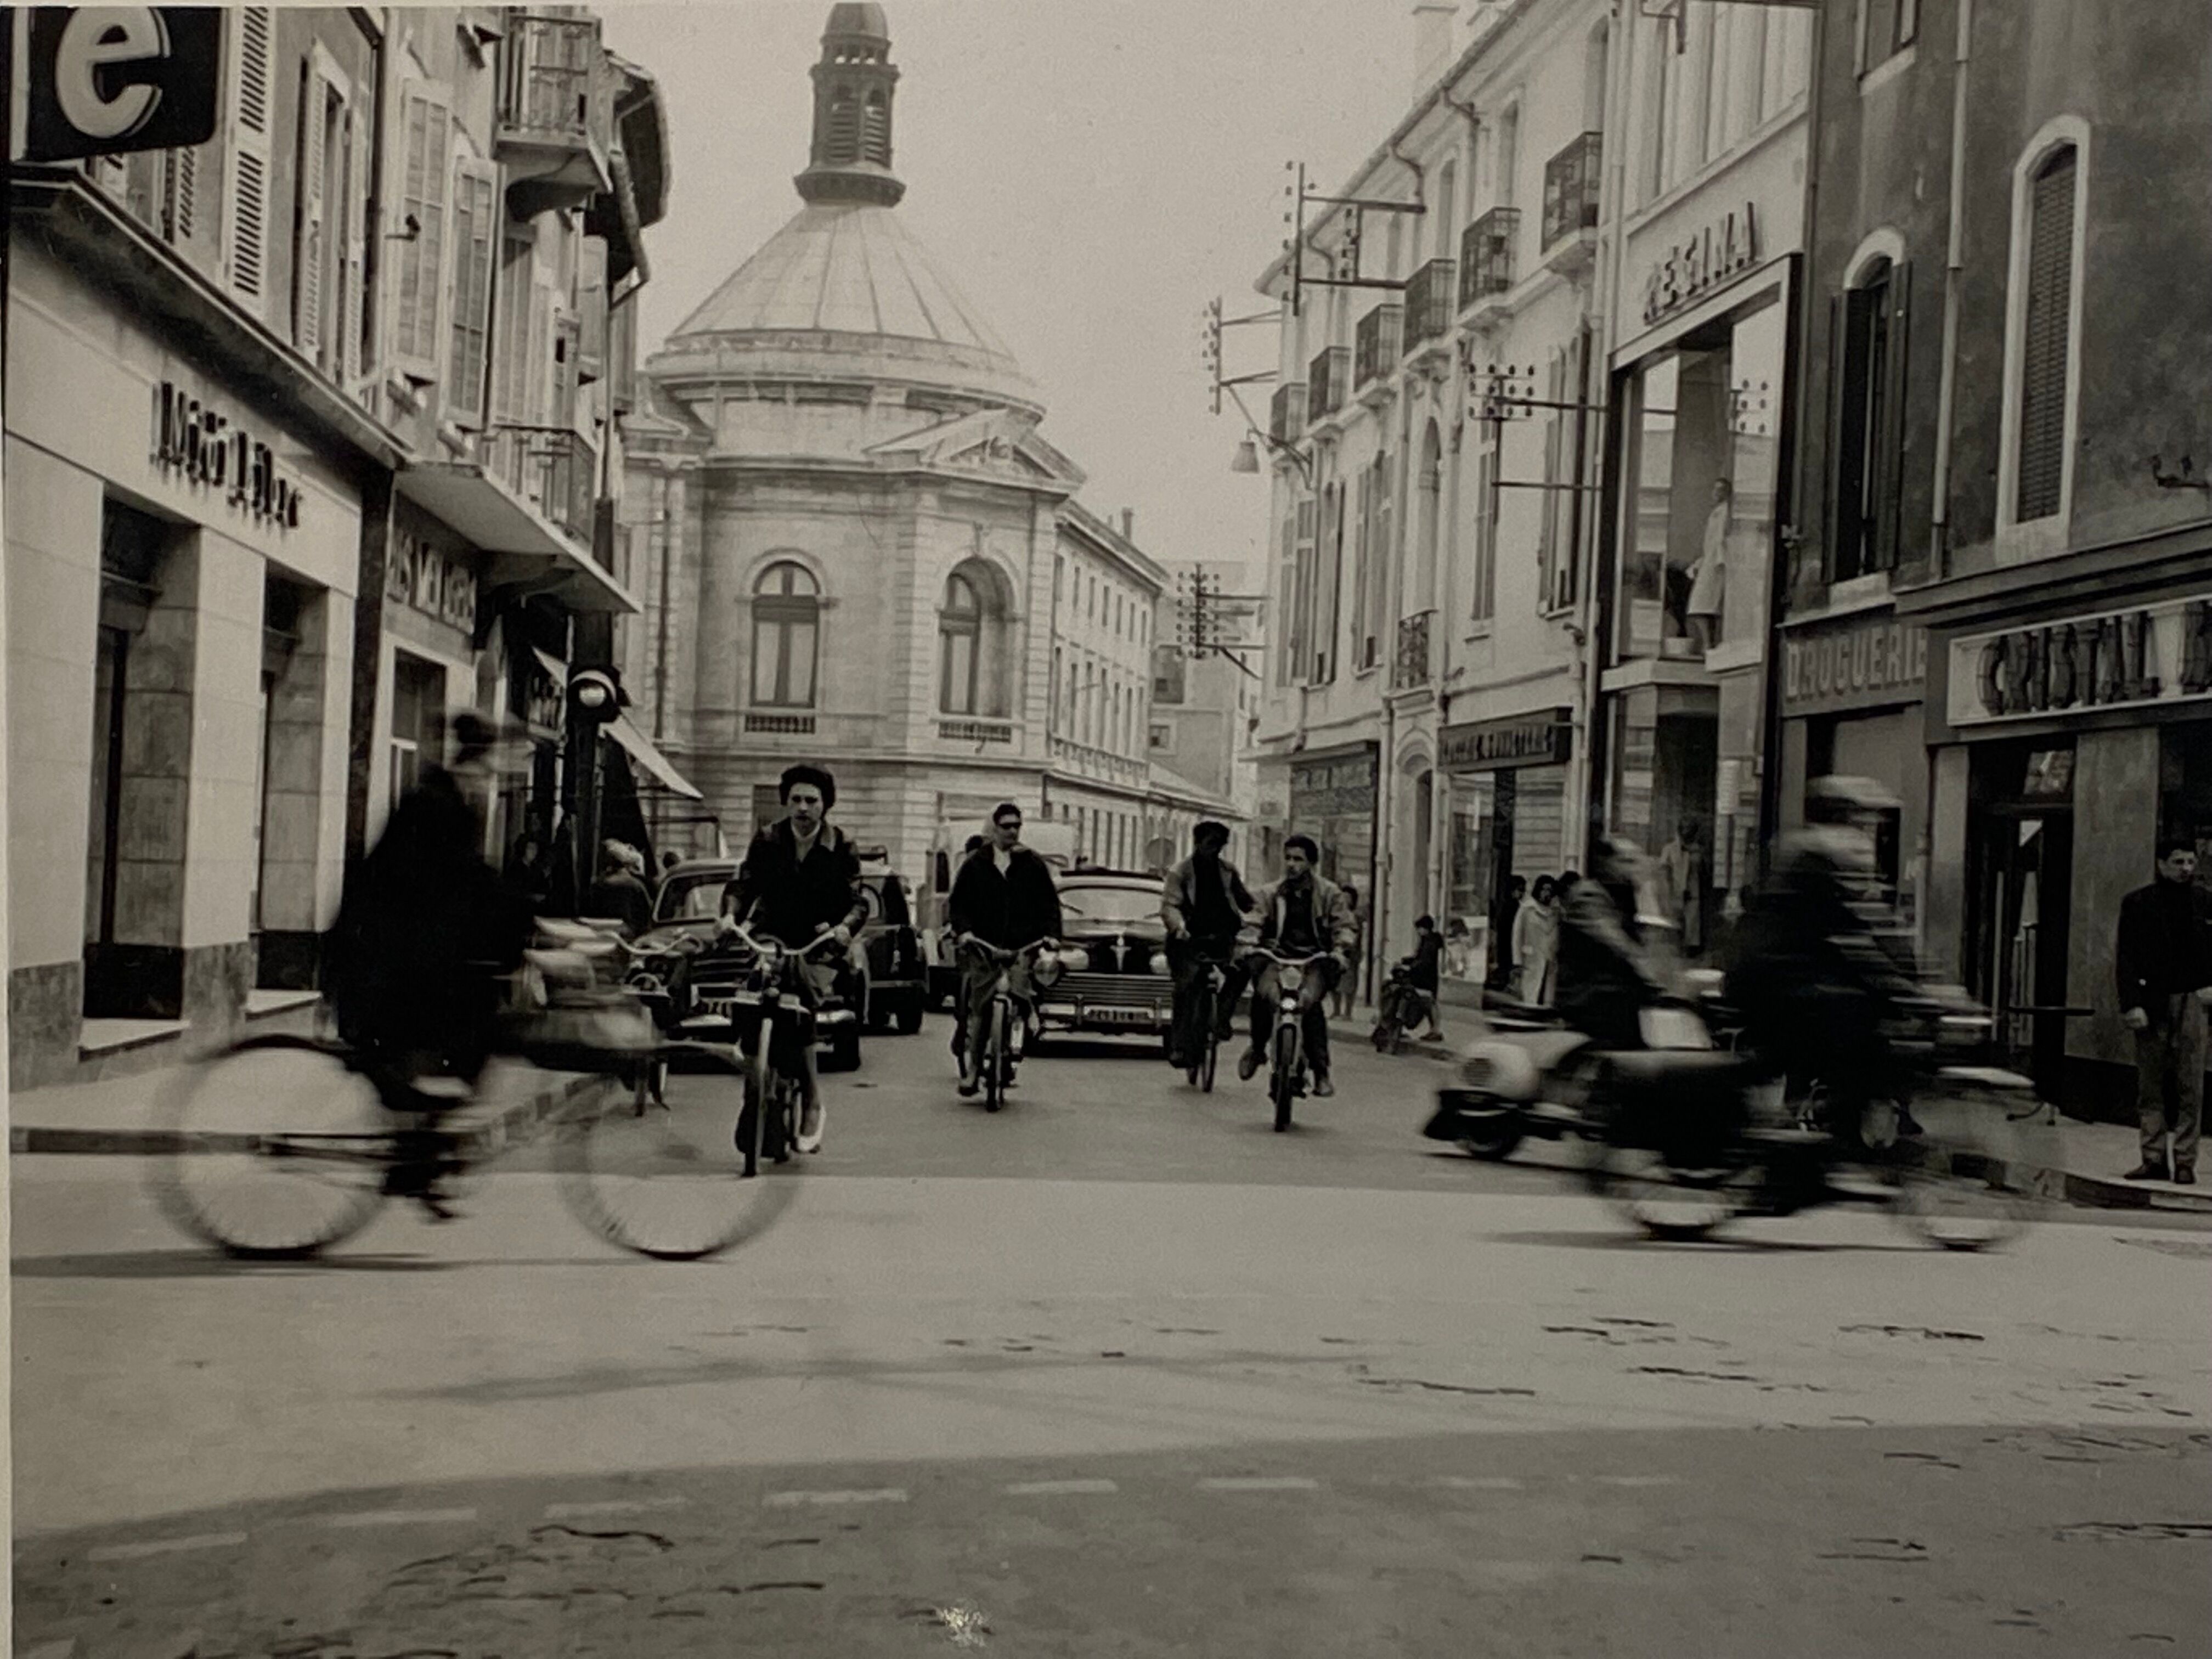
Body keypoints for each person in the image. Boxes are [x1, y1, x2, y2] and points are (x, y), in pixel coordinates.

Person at [323, 713, 533, 1215]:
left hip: (401, 960)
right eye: (489, 770)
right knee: (472, 1033)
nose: (492, 782)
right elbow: (463, 881)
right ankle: (418, 1158)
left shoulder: (446, 800)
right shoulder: (436, 805)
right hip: (381, 964)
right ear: (474, 764)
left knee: (451, 1047)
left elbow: (469, 885)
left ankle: (421, 1156)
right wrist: (527, 926)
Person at [718, 764, 867, 1154]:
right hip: (773, 936)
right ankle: (754, 1083)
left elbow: (857, 900)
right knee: (752, 990)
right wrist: (730, 916)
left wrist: (843, 928)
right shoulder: (768, 839)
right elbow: (744, 883)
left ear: (825, 806)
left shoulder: (842, 846)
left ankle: (814, 1100)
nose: (803, 808)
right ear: (786, 802)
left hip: (819, 943)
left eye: (811, 801)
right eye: (796, 799)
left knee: (799, 995)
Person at [949, 803, 1064, 1096]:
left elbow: (1050, 904)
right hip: (984, 947)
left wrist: (1051, 935)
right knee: (980, 1008)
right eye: (1007, 826)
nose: (1013, 831)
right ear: (994, 829)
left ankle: (1015, 1042)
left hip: (1020, 947)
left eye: (1017, 826)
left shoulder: (1033, 864)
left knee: (1021, 995)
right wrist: (964, 932)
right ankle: (974, 1069)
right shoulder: (976, 863)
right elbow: (959, 904)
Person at [2115, 836, 2212, 1184]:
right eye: (2178, 862)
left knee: (2191, 1082)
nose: (2186, 869)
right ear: (2161, 864)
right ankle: (2153, 1157)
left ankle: (2186, 1160)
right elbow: (2125, 956)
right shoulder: (2139, 903)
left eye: (2190, 862)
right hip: (2153, 997)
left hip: (2193, 997)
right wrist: (2131, 1003)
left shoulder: (2204, 902)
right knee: (2151, 1082)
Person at [1237, 835, 1357, 1097]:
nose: (1291, 865)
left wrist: (1339, 950)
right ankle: (1257, 1049)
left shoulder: (1330, 894)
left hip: (1313, 962)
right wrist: (1248, 942)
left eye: (1298, 859)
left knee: (1310, 1007)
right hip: (1276, 960)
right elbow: (1253, 919)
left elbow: (1344, 927)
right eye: (1288, 858)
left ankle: (1321, 1072)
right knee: (1262, 996)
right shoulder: (1270, 893)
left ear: (1312, 863)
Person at [1160, 820, 1256, 1071]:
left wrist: (1255, 918)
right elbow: (1170, 905)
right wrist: (1178, 927)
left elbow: (1247, 902)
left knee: (1242, 970)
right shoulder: (1180, 872)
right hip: (1188, 940)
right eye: (1211, 844)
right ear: (1198, 843)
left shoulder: (1228, 871)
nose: (1215, 850)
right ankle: (1179, 1046)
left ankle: (1222, 1019)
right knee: (1186, 986)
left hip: (1223, 937)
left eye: (1220, 845)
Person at [1555, 838, 1666, 1051]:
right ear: (1608, 864)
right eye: (1627, 861)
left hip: (1618, 998)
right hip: (1589, 998)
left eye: (1637, 862)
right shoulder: (1588, 895)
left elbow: (1652, 941)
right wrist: (1650, 974)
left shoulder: (1625, 897)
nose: (1636, 867)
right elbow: (1616, 942)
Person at [1384, 914, 1446, 1042]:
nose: (1418, 931)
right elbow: (1419, 958)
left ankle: (1435, 1030)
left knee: (1428, 1002)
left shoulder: (1430, 942)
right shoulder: (1428, 940)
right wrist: (1407, 961)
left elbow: (1424, 961)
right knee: (1429, 1003)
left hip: (1425, 978)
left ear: (1424, 928)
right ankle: (1434, 1030)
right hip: (1425, 976)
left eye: (1419, 928)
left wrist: (1410, 967)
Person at [1686, 477, 1731, 655]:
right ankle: (1709, 642)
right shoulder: (1716, 512)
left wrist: (1721, 561)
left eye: (1720, 490)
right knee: (1702, 606)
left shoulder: (1726, 512)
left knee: (1703, 604)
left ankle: (1708, 643)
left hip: (1718, 563)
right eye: (1715, 489)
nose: (1716, 493)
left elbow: (1721, 540)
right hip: (1710, 561)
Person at [1657, 818, 1710, 956]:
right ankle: (1674, 947)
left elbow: (1705, 872)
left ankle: (1690, 949)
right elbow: (1663, 870)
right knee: (1674, 920)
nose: (1687, 832)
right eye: (1685, 829)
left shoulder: (1698, 851)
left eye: (1690, 829)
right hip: (1674, 890)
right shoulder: (1669, 849)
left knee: (1692, 922)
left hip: (1693, 891)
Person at [586, 839, 654, 939]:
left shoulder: (599, 884)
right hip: (629, 932)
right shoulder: (636, 884)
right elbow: (646, 912)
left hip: (601, 930)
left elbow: (590, 909)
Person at [1513, 874, 1560, 1007]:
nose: (1546, 893)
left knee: (1548, 992)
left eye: (1550, 890)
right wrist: (1517, 960)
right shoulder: (1527, 909)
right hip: (1531, 956)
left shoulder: (1556, 912)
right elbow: (1517, 935)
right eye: (1544, 889)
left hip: (1550, 958)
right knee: (1530, 991)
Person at [1487, 874, 1527, 992]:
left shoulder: (1509, 906)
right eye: (1520, 890)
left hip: (1507, 945)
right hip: (1508, 945)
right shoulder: (1511, 907)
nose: (1522, 893)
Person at [1333, 883, 1363, 1019]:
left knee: (1350, 984)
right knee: (1335, 982)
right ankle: (1336, 1010)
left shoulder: (1356, 916)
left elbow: (1358, 935)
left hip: (1351, 953)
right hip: (1337, 951)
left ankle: (1348, 1012)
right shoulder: (1335, 914)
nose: (1346, 900)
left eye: (1348, 898)